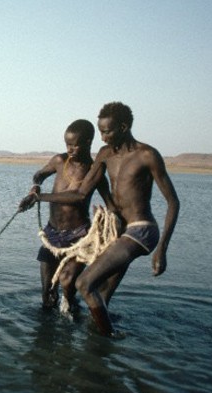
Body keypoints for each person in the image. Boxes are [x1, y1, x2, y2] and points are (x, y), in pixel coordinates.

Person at [29, 102, 180, 336]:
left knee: (83, 283)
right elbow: (80, 193)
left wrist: (162, 249)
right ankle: (97, 344)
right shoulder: (105, 154)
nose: (102, 137)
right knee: (100, 295)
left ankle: (108, 339)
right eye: (100, 132)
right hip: (119, 232)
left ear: (123, 126)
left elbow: (173, 202)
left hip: (141, 230)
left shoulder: (147, 155)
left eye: (107, 132)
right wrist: (38, 195)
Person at [19, 120, 112, 310]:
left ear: (88, 142)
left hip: (78, 236)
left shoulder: (95, 171)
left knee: (67, 285)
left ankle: (72, 316)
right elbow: (39, 175)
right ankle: (47, 332)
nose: (70, 149)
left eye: (75, 145)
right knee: (47, 294)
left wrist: (106, 220)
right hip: (52, 234)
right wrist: (35, 187)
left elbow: (92, 200)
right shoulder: (59, 161)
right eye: (67, 144)